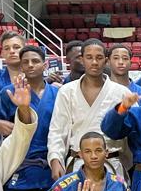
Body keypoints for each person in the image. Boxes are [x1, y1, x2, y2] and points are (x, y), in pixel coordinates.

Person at [0, 46, 58, 191]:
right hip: (20, 168)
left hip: (51, 168)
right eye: (25, 62)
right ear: (21, 66)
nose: (30, 65)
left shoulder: (59, 93)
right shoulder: (9, 92)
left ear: (45, 65)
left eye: (35, 61)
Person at [48, 39, 128, 179]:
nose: (94, 62)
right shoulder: (67, 91)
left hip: (112, 164)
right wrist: (55, 158)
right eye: (89, 57)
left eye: (99, 57)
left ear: (106, 61)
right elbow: (57, 130)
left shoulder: (121, 92)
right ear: (82, 59)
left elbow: (132, 133)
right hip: (78, 163)